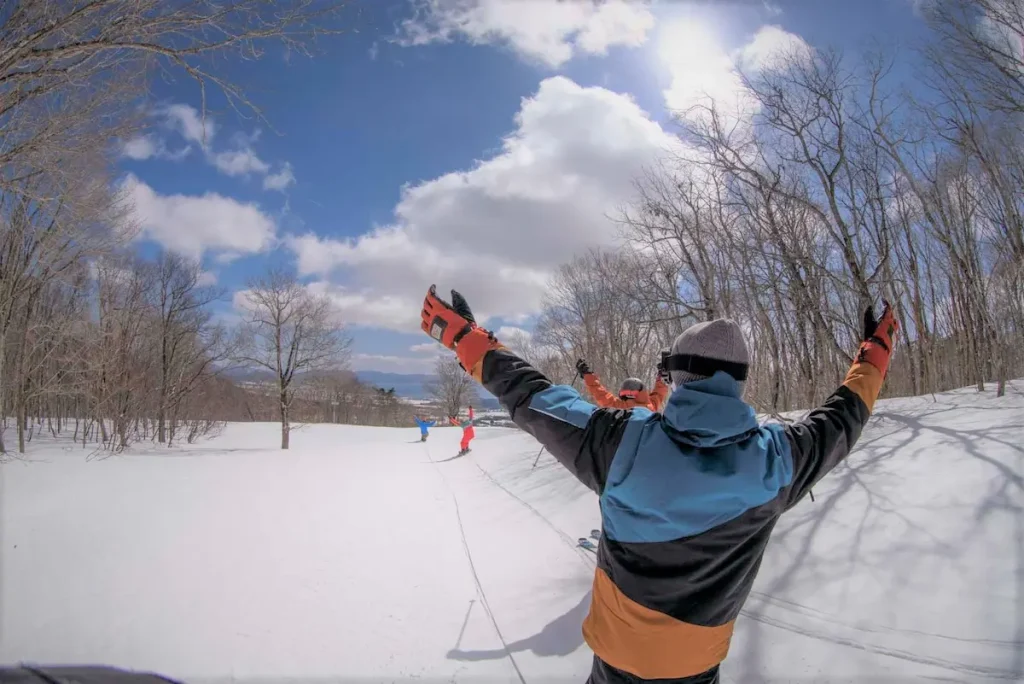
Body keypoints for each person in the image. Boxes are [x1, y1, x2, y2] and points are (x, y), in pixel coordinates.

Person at [420, 285, 898, 684]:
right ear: (738, 382)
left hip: (617, 661)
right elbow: (845, 414)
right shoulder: (778, 461)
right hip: (697, 667)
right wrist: (873, 354)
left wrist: (465, 338)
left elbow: (533, 395)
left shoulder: (619, 441)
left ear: (679, 376)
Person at [575, 358, 670, 412]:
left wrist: (587, 375)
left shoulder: (620, 406)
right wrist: (662, 375)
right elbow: (659, 392)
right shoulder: (651, 406)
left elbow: (601, 394)